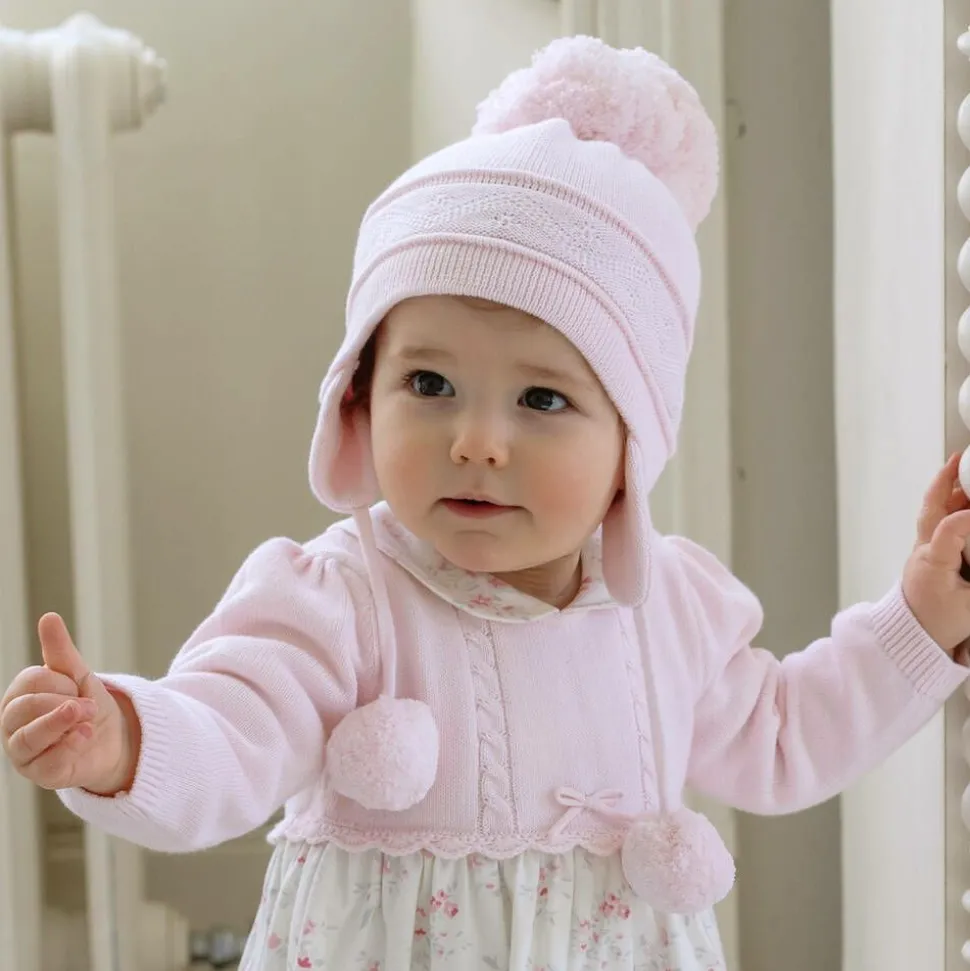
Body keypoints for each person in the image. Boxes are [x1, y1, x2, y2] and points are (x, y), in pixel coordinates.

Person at [3, 35, 970, 971]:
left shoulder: (667, 608)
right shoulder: (341, 599)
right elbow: (232, 729)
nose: (475, 441)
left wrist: (921, 622)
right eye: (428, 384)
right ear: (358, 399)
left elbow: (788, 734)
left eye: (541, 399)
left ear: (632, 441)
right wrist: (124, 739)